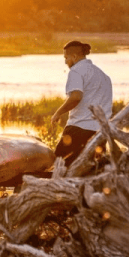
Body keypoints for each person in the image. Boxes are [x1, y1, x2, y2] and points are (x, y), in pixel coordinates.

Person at [48, 39, 113, 168]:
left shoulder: (76, 71)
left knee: (61, 166)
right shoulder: (103, 75)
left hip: (78, 130)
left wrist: (58, 113)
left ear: (74, 56)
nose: (65, 62)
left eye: (66, 58)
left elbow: (76, 97)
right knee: (93, 171)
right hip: (100, 132)